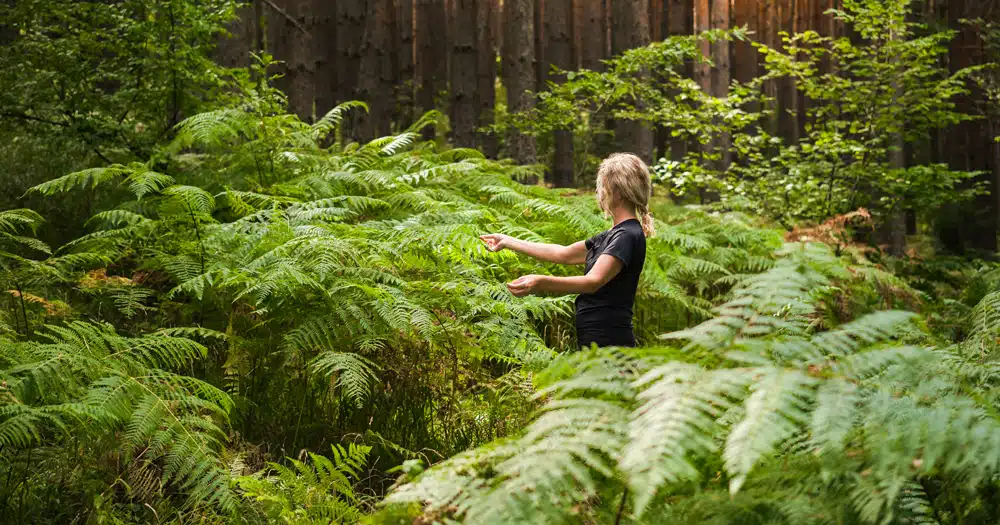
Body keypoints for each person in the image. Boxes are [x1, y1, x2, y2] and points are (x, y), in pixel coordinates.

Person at [480, 153, 654, 349]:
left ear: (618, 191)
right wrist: (508, 241)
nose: (599, 192)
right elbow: (564, 254)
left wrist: (540, 282)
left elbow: (593, 282)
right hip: (599, 337)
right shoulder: (615, 234)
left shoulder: (627, 235)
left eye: (602, 186)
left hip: (609, 339)